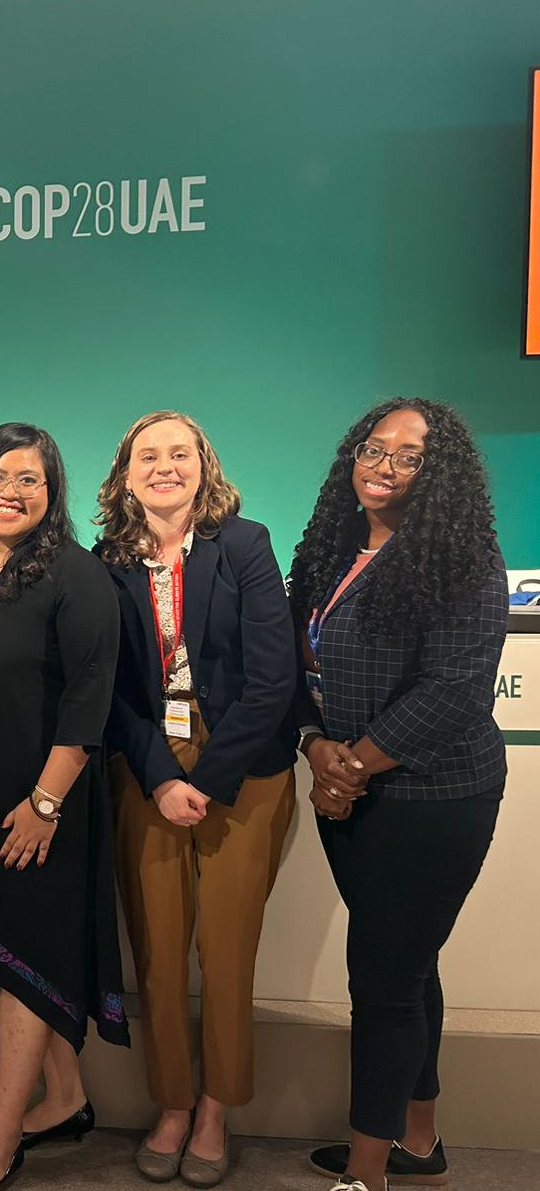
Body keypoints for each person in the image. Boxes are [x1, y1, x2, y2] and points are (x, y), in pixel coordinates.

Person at [289, 399, 507, 1191]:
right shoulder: (330, 548)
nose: (384, 466)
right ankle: (417, 1140)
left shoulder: (464, 559)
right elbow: (294, 664)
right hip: (345, 790)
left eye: (409, 456)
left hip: (433, 798)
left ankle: (366, 1175)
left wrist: (350, 769)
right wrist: (315, 746)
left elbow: (454, 692)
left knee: (383, 984)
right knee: (410, 967)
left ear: (438, 473)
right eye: (373, 448)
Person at [93, 411, 296, 1187]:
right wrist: (161, 777)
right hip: (149, 761)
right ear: (126, 473)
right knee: (157, 947)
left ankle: (215, 1108)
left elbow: (273, 680)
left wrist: (205, 783)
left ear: (204, 467)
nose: (165, 467)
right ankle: (173, 1104)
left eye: (181, 453)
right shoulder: (106, 560)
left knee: (227, 948)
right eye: (149, 455)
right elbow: (108, 688)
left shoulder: (244, 545)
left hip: (242, 766)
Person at [0, 423, 129, 1191]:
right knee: (12, 951)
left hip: (41, 804)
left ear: (52, 493)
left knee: (24, 960)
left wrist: (44, 804)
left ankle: (0, 1137)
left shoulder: (78, 575)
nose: (8, 492)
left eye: (28, 480)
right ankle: (66, 1097)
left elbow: (89, 698)